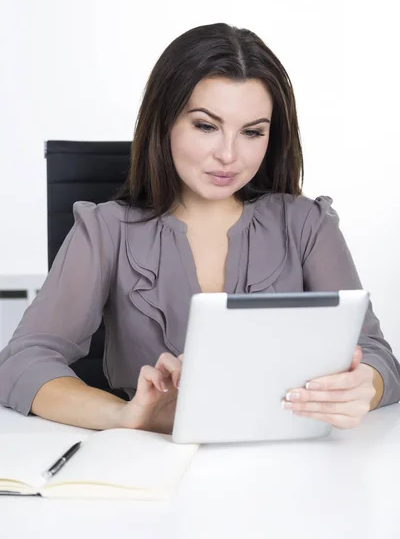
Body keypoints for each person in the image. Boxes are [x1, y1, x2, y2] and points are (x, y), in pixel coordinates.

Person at [1, 23, 399, 434]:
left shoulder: (307, 225)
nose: (228, 155)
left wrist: (360, 389)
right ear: (165, 121)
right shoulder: (106, 230)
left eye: (252, 132)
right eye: (206, 126)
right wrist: (125, 416)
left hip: (287, 463)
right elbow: (22, 361)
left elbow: (375, 356)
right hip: (149, 466)